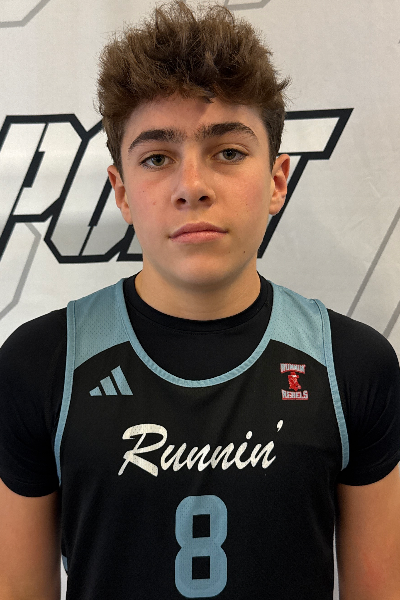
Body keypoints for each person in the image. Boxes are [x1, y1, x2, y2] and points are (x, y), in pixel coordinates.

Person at [1, 2, 400, 599]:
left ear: (277, 180)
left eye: (228, 152)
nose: (192, 186)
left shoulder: (352, 365)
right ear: (121, 191)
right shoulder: (40, 364)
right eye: (157, 158)